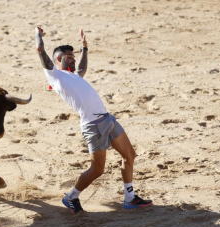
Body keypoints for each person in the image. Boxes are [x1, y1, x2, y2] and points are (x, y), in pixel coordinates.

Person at [34, 26, 152, 213]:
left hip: (108, 119)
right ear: (59, 58)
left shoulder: (74, 75)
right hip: (93, 125)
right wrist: (37, 34)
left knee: (129, 155)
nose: (73, 58)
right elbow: (40, 50)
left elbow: (82, 67)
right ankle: (71, 197)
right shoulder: (55, 76)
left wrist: (85, 48)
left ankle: (130, 198)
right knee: (97, 170)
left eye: (74, 55)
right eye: (69, 56)